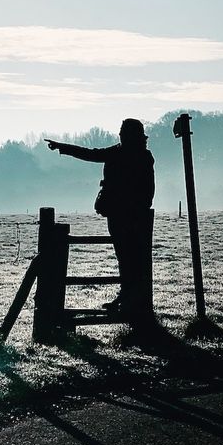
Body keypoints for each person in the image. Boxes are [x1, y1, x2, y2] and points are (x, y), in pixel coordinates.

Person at [45, 118, 155, 313]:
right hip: (134, 215)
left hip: (121, 215)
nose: (119, 134)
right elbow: (148, 190)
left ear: (129, 134)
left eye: (122, 131)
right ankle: (130, 298)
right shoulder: (143, 156)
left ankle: (129, 298)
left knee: (126, 257)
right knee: (132, 258)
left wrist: (63, 147)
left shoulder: (120, 153)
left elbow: (91, 155)